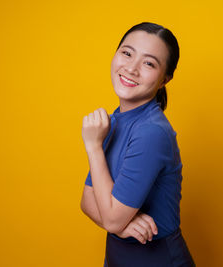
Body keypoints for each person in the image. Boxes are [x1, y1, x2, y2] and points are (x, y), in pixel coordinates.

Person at [80, 22, 195, 267]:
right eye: (127, 53)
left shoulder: (151, 132)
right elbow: (88, 202)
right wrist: (124, 226)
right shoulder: (114, 121)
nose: (131, 68)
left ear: (165, 79)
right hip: (118, 258)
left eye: (149, 63)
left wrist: (93, 146)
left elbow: (110, 219)